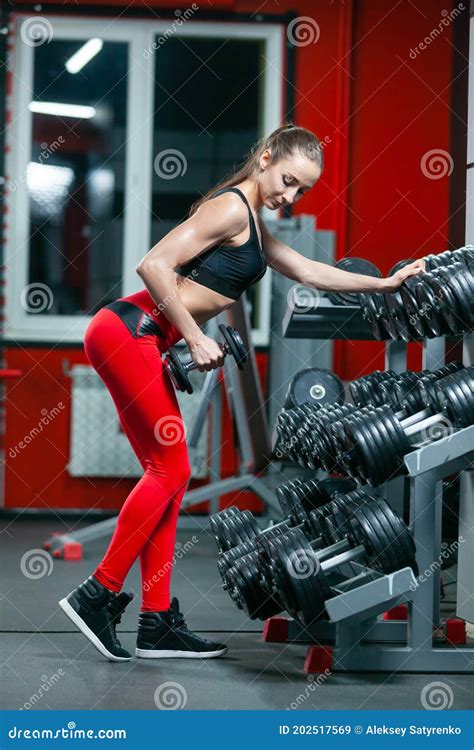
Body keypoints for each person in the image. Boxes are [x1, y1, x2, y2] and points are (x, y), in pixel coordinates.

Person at [58, 123, 425, 662]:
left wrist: (385, 284)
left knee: (169, 480)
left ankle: (157, 622)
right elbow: (152, 265)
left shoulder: (253, 221)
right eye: (288, 180)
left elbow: (309, 270)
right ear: (267, 157)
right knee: (172, 470)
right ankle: (98, 593)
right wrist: (193, 334)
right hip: (129, 332)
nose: (291, 195)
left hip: (138, 338)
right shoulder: (230, 209)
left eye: (302, 190)